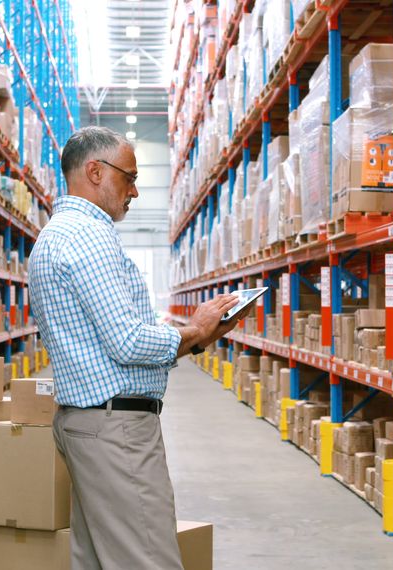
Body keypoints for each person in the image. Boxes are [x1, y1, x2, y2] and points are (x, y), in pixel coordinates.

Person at [28, 126, 250, 569]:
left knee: (98, 560)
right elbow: (128, 341)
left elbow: (113, 346)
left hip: (92, 426)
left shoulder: (61, 234)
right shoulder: (85, 237)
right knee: (149, 560)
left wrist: (201, 336)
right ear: (94, 171)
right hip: (116, 433)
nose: (133, 191)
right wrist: (195, 328)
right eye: (128, 177)